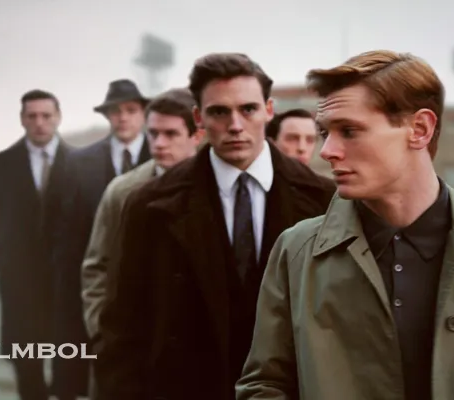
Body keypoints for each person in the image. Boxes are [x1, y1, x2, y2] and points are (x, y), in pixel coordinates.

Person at [236, 50, 454, 400]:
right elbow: (264, 386)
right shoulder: (296, 251)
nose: (327, 150)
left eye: (349, 131)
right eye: (326, 132)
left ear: (419, 129)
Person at [94, 52, 335, 400]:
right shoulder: (149, 205)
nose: (235, 125)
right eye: (219, 112)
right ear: (199, 118)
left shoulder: (324, 200)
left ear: (268, 110)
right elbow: (122, 329)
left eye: (248, 109)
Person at [51, 79, 150, 399]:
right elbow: (66, 232)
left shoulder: (164, 154)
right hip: (94, 283)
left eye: (131, 110)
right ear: (107, 116)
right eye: (116, 111)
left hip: (148, 285)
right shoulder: (79, 162)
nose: (123, 117)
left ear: (143, 113)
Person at [81, 87, 202, 349]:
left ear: (197, 135)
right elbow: (97, 266)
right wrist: (102, 333)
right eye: (153, 133)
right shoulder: (122, 191)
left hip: (201, 340)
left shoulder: (217, 188)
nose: (159, 143)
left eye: (171, 134)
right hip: (137, 341)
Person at [0, 89, 72, 400]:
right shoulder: (3, 163)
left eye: (46, 116)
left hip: (66, 282)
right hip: (21, 283)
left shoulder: (79, 162)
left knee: (68, 359)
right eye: (32, 116)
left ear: (58, 118)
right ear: (22, 119)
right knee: (27, 360)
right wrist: (5, 261)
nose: (39, 123)